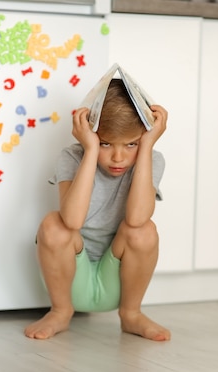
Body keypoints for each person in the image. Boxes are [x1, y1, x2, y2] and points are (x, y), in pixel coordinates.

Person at [24, 78, 171, 342]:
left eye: (131, 144)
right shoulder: (72, 156)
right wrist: (90, 150)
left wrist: (147, 146)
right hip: (69, 280)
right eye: (106, 144)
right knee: (54, 224)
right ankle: (59, 312)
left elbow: (137, 218)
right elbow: (72, 220)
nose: (118, 157)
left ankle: (132, 314)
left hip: (118, 280)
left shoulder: (151, 159)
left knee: (144, 231)